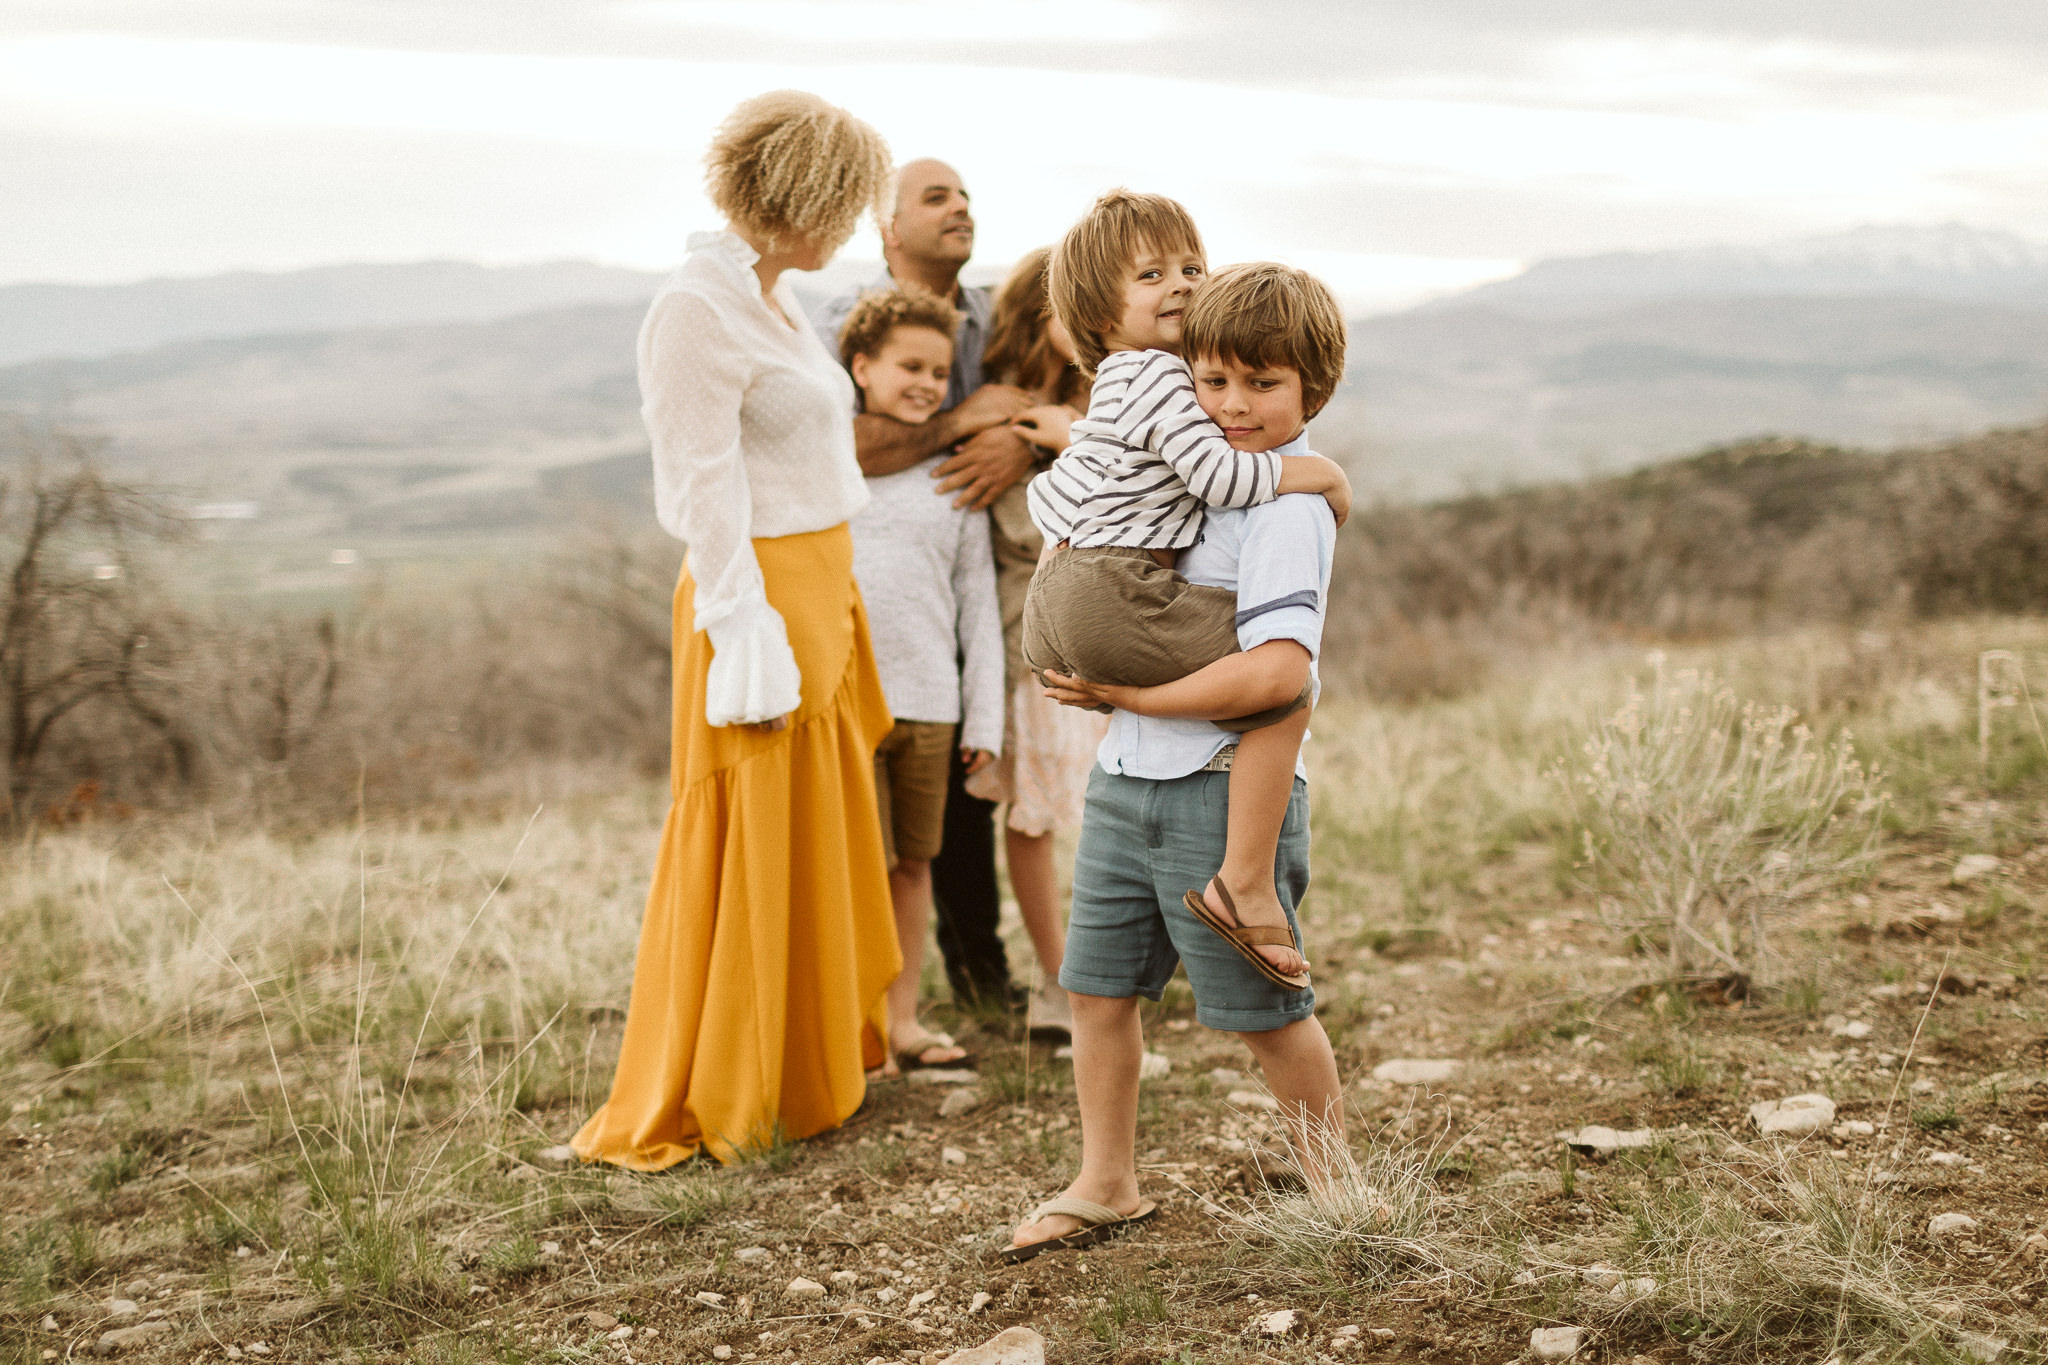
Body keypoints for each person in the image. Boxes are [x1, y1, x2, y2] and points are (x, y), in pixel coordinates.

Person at [571, 90, 898, 1169]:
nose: (851, 226)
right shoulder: (695, 309)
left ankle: (810, 1067)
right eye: (842, 203)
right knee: (755, 828)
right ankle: (735, 1080)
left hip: (820, 582)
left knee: (813, 823)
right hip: (753, 597)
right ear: (797, 196)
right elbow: (699, 480)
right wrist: (738, 619)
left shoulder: (772, 300)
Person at [1005, 258, 1351, 1259]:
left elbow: (1275, 674)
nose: (1232, 407)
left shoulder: (1286, 510)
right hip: (1123, 780)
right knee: (1096, 992)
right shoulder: (1189, 469)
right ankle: (1104, 1180)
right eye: (1213, 382)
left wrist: (1130, 693)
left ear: (1310, 393)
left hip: (1215, 788)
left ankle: (1339, 1188)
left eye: (1261, 385)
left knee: (1261, 1010)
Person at [1024, 191, 1351, 990]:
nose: (1178, 284)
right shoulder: (1166, 386)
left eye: (1190, 267)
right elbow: (1221, 478)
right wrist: (1322, 475)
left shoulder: (1117, 386)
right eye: (1151, 273)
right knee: (1286, 682)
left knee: (1100, 997)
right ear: (1101, 311)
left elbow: (1052, 495)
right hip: (1106, 598)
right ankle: (1246, 880)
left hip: (1060, 596)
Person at [813, 160, 1042, 1011]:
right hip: (874, 583)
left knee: (960, 800)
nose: (961, 209)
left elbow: (1039, 403)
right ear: (887, 228)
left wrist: (1020, 441)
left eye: (967, 196)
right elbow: (845, 445)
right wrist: (959, 424)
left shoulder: (998, 315)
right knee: (866, 833)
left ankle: (977, 978)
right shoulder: (844, 319)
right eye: (935, 197)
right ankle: (858, 1001)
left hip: (970, 568)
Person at [839, 286, 1006, 1072]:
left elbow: (977, 606)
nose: (926, 383)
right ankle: (855, 1027)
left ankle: (904, 1021)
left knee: (913, 867)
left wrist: (985, 723)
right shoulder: (836, 466)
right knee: (856, 870)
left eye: (939, 372)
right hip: (849, 702)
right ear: (861, 367)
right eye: (909, 365)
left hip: (934, 703)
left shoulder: (954, 474)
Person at [964, 248, 1103, 1039]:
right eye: (1061, 310)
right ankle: (1059, 978)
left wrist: (1074, 435)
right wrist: (1051, 441)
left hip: (1123, 633)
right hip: (1040, 634)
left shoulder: (1117, 403)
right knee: (1036, 811)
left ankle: (1133, 959)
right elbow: (1028, 531)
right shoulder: (1012, 415)